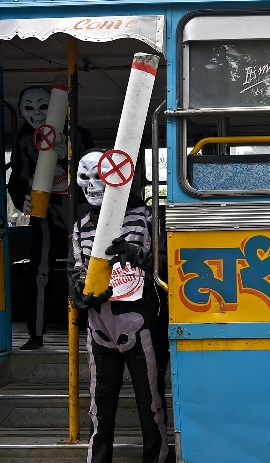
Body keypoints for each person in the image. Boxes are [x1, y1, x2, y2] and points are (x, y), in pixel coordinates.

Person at [68, 149, 169, 463]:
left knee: (151, 404)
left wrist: (141, 256)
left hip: (143, 326)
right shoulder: (82, 224)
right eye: (86, 179)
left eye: (99, 177)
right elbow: (75, 269)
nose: (93, 186)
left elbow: (166, 264)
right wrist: (79, 293)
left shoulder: (149, 216)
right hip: (100, 328)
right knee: (100, 407)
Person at [10, 86, 93, 350]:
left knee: (86, 267)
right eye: (29, 108)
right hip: (45, 209)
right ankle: (36, 333)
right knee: (39, 271)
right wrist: (23, 199)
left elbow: (91, 170)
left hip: (78, 210)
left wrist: (69, 154)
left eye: (43, 106)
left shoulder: (79, 134)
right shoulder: (25, 140)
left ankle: (94, 329)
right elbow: (18, 177)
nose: (36, 114)